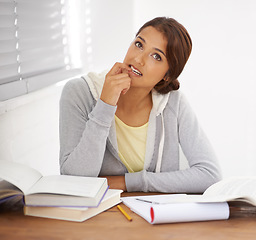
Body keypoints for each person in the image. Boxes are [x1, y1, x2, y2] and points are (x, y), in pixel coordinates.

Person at [59, 17, 221, 193]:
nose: (139, 59)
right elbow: (73, 180)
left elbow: (210, 175)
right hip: (96, 217)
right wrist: (105, 104)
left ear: (168, 75)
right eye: (139, 44)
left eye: (156, 56)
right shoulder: (79, 92)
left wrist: (127, 182)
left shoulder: (173, 103)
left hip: (154, 217)